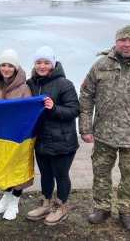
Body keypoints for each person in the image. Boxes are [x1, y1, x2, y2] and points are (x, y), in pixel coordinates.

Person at [79, 25, 130, 230]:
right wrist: (85, 128)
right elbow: (86, 96)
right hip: (104, 134)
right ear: (116, 41)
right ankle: (102, 208)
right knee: (101, 173)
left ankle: (125, 210)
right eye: (123, 40)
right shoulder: (101, 65)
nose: (127, 44)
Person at [25, 46, 79, 225]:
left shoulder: (65, 84)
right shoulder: (31, 83)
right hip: (41, 140)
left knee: (61, 175)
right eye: (39, 62)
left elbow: (74, 110)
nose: (42, 66)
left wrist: (54, 108)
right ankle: (46, 203)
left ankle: (62, 206)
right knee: (46, 175)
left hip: (62, 141)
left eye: (46, 62)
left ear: (53, 63)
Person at [0, 49, 31, 220]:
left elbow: (28, 111)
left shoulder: (24, 88)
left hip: (19, 136)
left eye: (10, 65)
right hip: (0, 135)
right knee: (3, 166)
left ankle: (15, 201)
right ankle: (6, 195)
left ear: (16, 68)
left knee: (17, 168)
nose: (6, 69)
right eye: (3, 65)